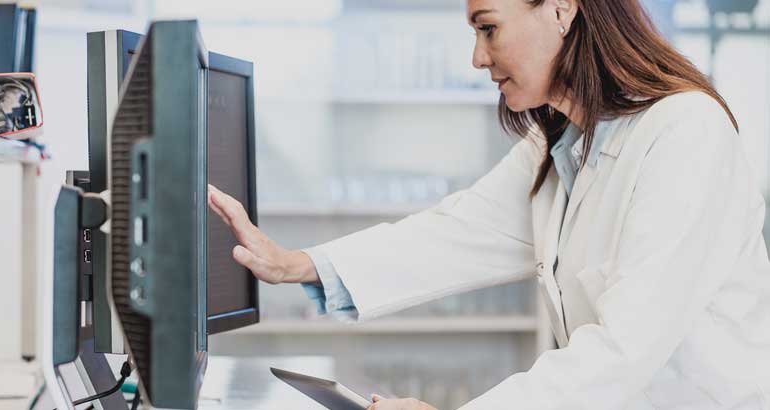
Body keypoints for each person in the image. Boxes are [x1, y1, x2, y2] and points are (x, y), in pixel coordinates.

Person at [207, 0, 770, 408]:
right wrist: (294, 264)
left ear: (562, 11)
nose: (478, 57)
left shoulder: (684, 133)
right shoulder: (560, 141)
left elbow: (624, 349)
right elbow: (452, 234)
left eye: (489, 28)